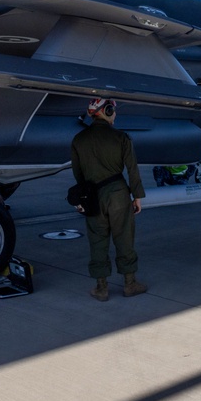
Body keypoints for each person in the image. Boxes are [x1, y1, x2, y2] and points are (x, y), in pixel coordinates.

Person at [70, 98, 148, 302]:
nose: (115, 115)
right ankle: (130, 284)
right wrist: (137, 196)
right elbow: (132, 169)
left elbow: (78, 173)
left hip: (92, 196)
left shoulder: (79, 139)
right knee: (124, 238)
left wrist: (85, 197)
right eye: (113, 110)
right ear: (107, 110)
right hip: (118, 195)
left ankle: (101, 287)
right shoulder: (121, 137)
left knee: (97, 240)